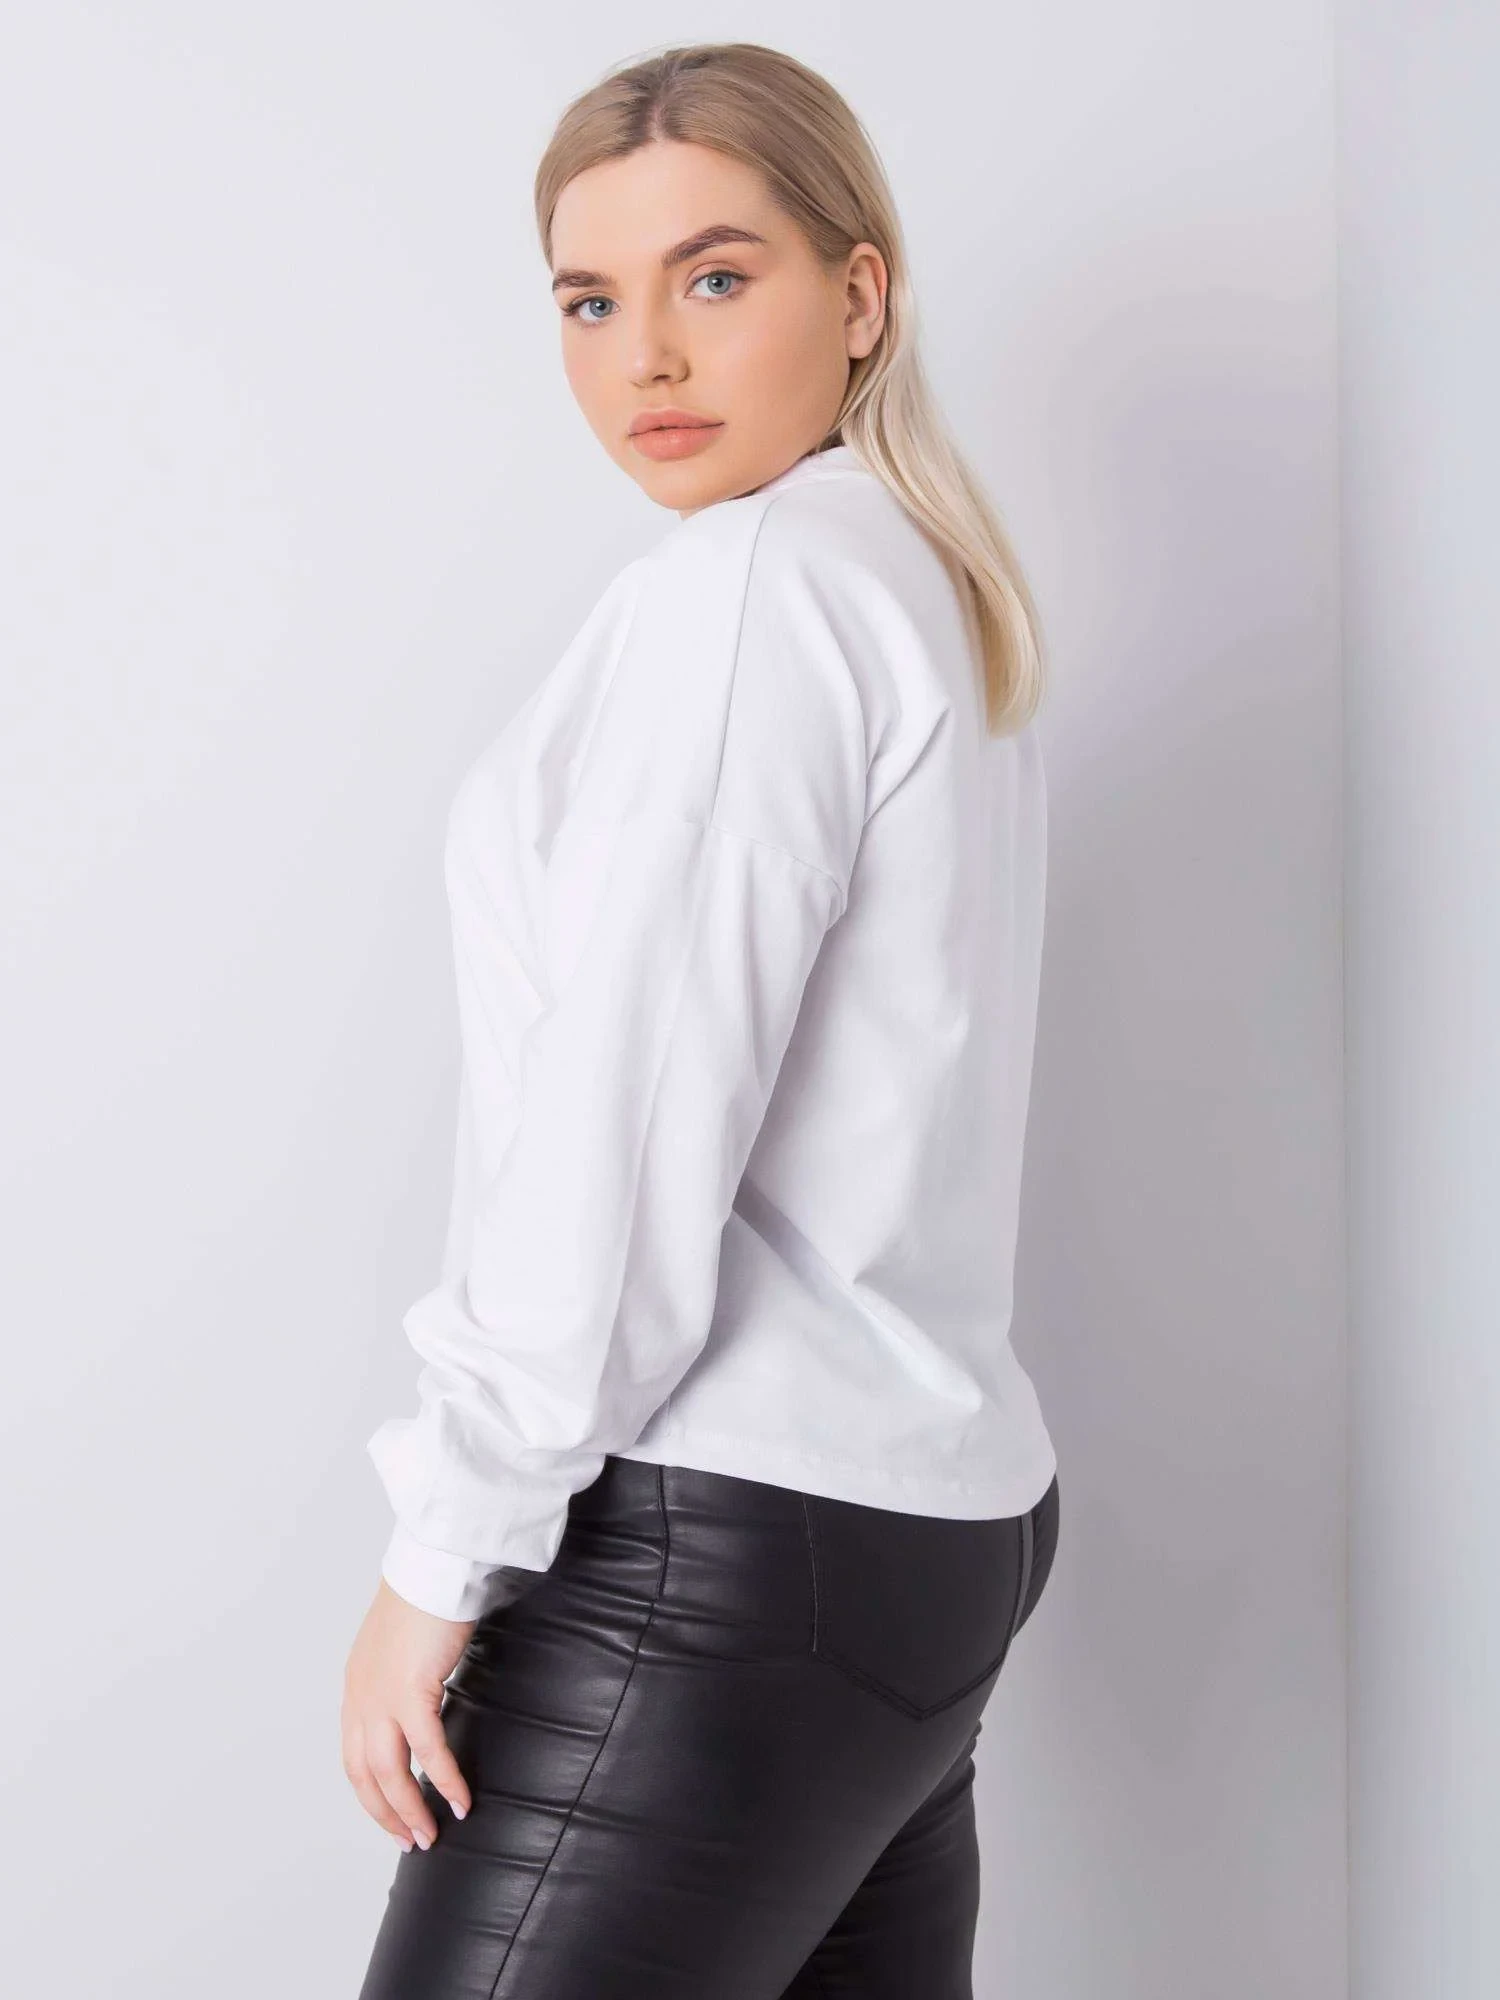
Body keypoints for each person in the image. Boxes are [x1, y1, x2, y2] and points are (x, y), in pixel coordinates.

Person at [343, 40, 1061, 2000]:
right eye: (591, 301)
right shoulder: (913, 578)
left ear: (862, 292)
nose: (645, 356)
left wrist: (444, 1550)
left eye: (715, 277)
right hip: (923, 1539)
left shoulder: (758, 590)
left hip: (724, 1547)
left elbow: (633, 1119)